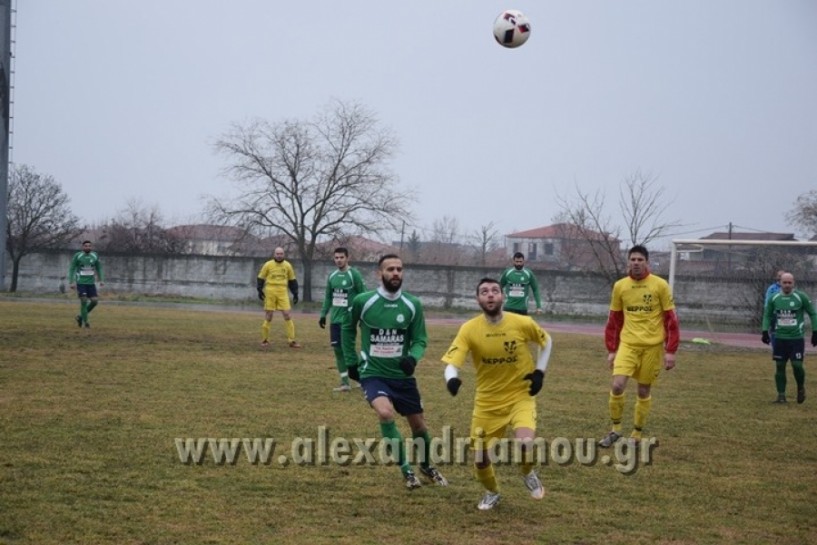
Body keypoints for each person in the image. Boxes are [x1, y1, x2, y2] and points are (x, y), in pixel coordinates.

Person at [441, 277, 552, 511]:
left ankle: (527, 472)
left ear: (503, 296)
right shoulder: (469, 329)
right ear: (478, 299)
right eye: (484, 292)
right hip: (487, 402)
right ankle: (492, 492)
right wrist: (451, 379)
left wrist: (539, 372)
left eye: (494, 290)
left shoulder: (522, 322)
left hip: (520, 396)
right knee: (480, 459)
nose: (490, 294)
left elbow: (546, 341)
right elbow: (452, 362)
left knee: (525, 443)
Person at [341, 254, 448, 489]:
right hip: (373, 373)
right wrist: (351, 362)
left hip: (402, 377)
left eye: (399, 269)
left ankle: (426, 465)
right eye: (390, 269)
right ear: (379, 274)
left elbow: (420, 339)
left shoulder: (412, 304)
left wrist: (413, 357)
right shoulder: (363, 301)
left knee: (419, 426)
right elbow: (347, 329)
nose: (396, 273)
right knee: (386, 413)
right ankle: (407, 471)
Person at [600, 245, 680, 448]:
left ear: (647, 262)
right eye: (632, 259)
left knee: (643, 390)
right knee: (617, 385)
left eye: (640, 260)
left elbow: (671, 320)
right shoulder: (620, 286)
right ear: (628, 262)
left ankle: (636, 434)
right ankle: (615, 430)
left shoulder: (660, 285)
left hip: (652, 347)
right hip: (628, 344)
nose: (636, 263)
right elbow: (614, 320)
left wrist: (670, 351)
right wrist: (612, 349)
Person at [761, 272, 817, 404]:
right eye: (784, 282)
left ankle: (800, 387)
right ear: (780, 283)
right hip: (779, 337)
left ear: (793, 283)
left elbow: (813, 313)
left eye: (789, 282)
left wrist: (815, 332)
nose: (787, 285)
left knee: (797, 365)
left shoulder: (800, 296)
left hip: (796, 338)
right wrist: (764, 331)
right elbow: (767, 315)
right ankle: (781, 396)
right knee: (780, 366)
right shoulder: (774, 298)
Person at [318, 247, 366, 392]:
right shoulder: (332, 276)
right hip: (335, 320)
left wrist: (359, 314)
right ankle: (345, 383)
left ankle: (362, 378)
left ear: (347, 258)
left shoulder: (354, 274)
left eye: (341, 257)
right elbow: (328, 297)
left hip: (349, 320)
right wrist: (323, 314)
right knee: (338, 350)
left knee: (348, 351)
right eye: (336, 258)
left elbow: (362, 295)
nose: (339, 260)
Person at [256, 247, 301, 348]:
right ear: (274, 254)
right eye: (277, 254)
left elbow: (292, 280)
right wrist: (259, 290)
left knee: (287, 314)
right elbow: (261, 277)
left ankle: (291, 341)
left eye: (281, 254)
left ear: (283, 254)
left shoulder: (288, 265)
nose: (279, 255)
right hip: (270, 291)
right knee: (269, 316)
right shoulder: (268, 264)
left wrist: (295, 293)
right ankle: (264, 340)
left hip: (282, 292)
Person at [68, 240, 104, 328]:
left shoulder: (95, 255)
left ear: (91, 247)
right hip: (81, 282)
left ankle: (80, 317)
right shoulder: (78, 256)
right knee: (84, 301)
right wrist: (71, 281)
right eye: (86, 246)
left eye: (89, 246)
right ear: (82, 247)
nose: (88, 247)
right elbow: (72, 268)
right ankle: (86, 322)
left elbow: (99, 268)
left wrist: (101, 279)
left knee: (94, 301)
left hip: (91, 283)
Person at [763, 270, 785, 349]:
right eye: (779, 276)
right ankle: (775, 347)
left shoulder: (788, 288)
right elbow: (767, 301)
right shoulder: (772, 288)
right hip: (775, 313)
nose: (780, 277)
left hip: (786, 313)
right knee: (774, 331)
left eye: (782, 275)